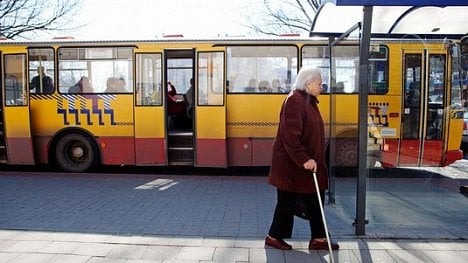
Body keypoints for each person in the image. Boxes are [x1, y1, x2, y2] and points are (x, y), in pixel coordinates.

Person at [265, 67, 339, 251]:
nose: (322, 86)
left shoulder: (307, 101)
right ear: (308, 83)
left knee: (316, 200)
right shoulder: (294, 101)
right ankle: (273, 236)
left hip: (307, 167)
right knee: (287, 203)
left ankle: (319, 238)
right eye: (319, 83)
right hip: (293, 167)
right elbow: (290, 136)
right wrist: (304, 158)